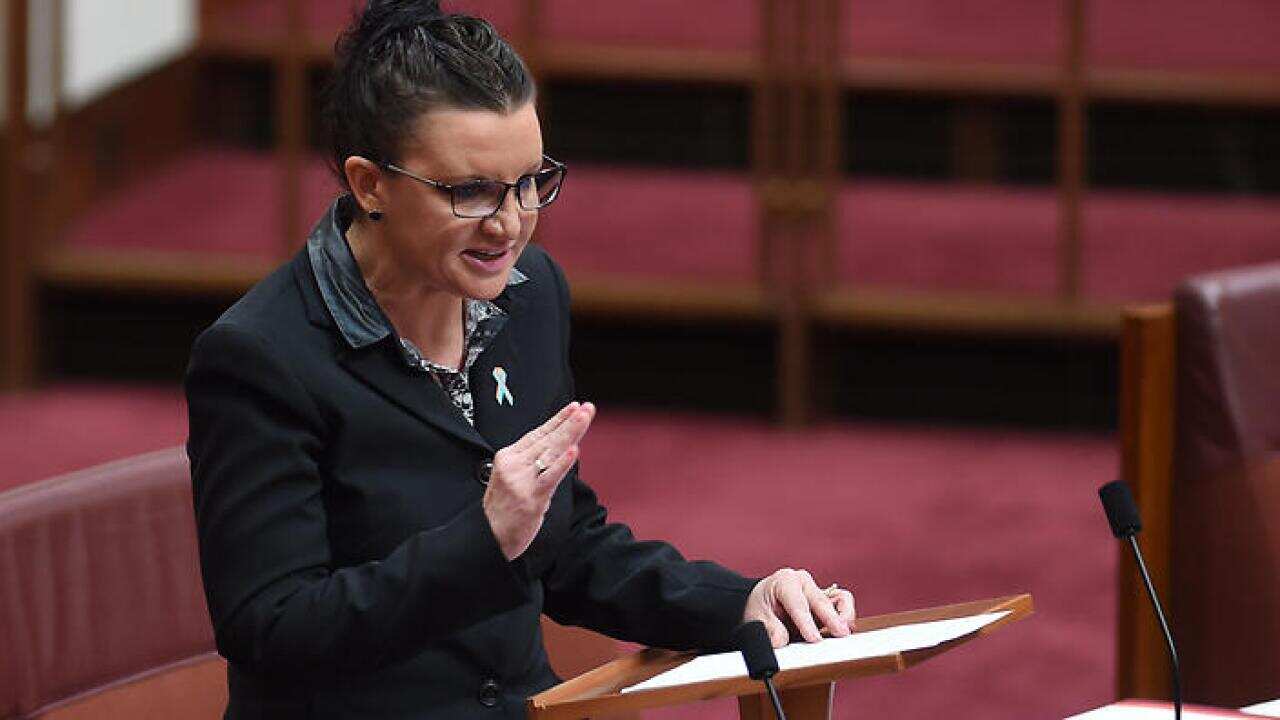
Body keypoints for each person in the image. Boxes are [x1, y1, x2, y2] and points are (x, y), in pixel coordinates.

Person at [185, 1, 855, 717]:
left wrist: (739, 602)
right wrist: (483, 540)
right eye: (471, 191)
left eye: (531, 181)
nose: (510, 224)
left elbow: (564, 545)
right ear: (368, 184)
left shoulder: (530, 301)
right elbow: (272, 628)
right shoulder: (261, 357)